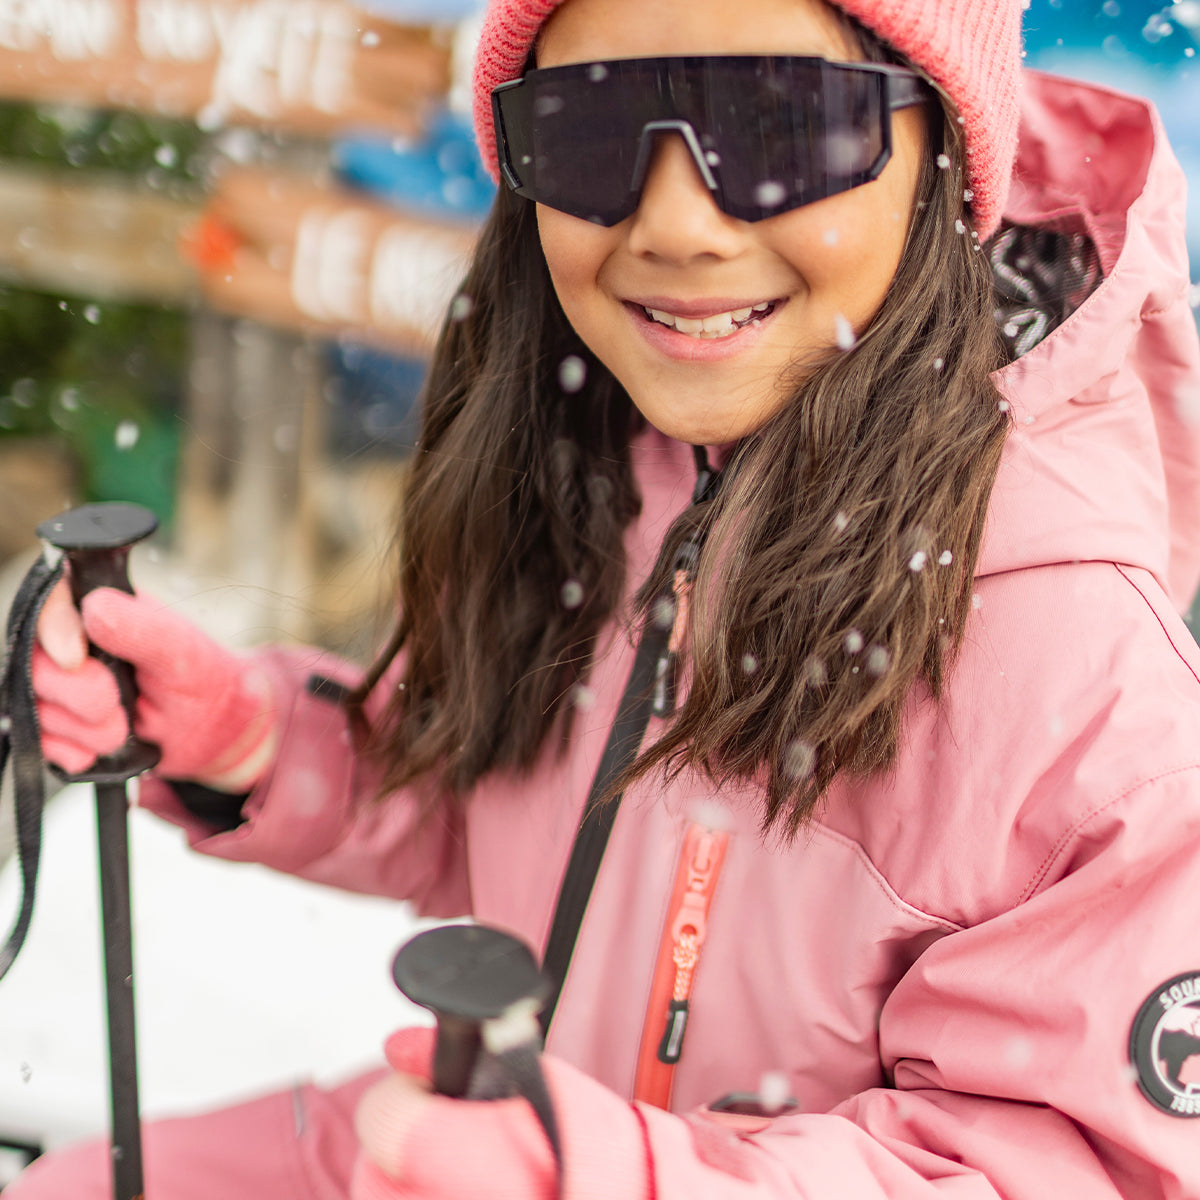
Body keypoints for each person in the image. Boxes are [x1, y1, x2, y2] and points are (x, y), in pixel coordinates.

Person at [13, 0, 1200, 1195]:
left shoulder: (1080, 676)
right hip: (486, 1134)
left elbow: (1075, 1163)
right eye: (587, 132)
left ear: (949, 153)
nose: (677, 225)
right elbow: (503, 791)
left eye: (784, 126)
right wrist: (257, 740)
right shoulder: (603, 455)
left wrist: (613, 1177)